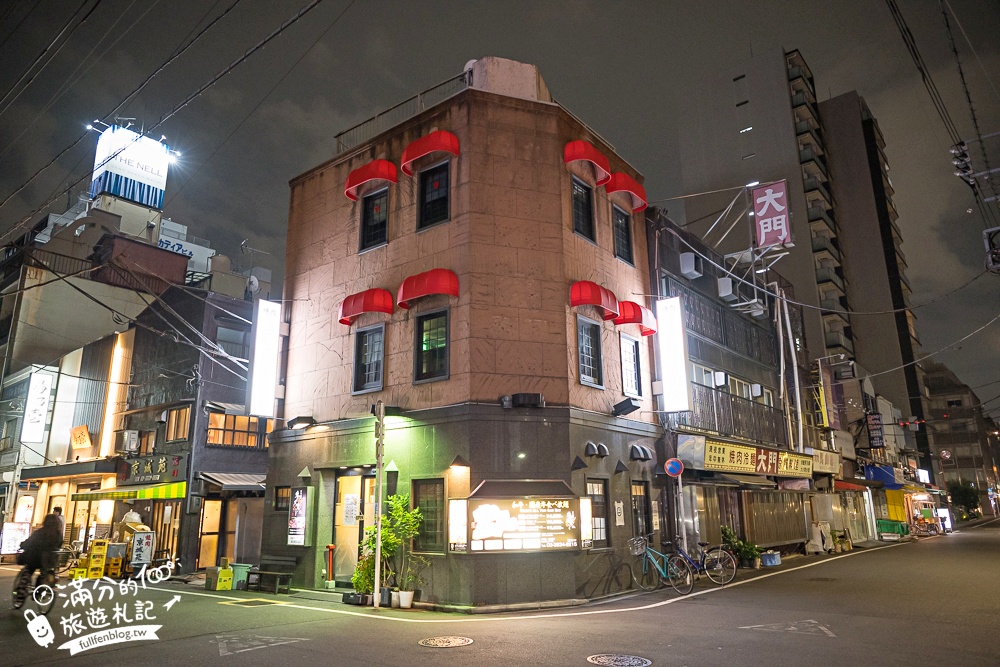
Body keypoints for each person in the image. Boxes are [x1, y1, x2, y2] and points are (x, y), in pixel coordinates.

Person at [17, 514, 63, 584]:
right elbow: (58, 546)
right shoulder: (59, 535)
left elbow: (29, 542)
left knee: (28, 570)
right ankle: (42, 588)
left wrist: (22, 545)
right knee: (45, 574)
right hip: (51, 561)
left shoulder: (39, 533)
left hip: (36, 559)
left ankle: (23, 586)